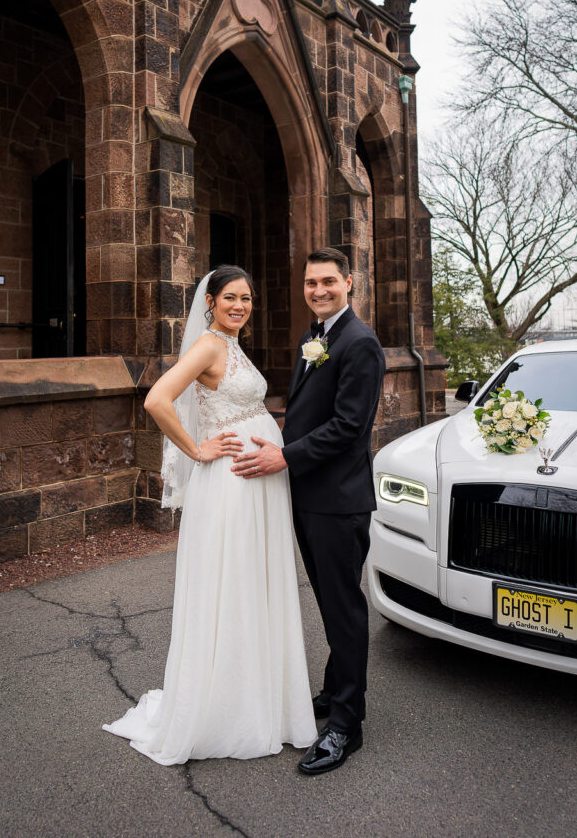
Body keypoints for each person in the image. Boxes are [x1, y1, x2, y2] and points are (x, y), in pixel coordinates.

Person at [103, 266, 317, 764]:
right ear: (211, 303)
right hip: (232, 485)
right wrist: (196, 450)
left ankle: (261, 699)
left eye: (247, 298)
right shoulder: (210, 346)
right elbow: (157, 399)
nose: (240, 306)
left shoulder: (232, 344)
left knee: (253, 583)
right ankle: (228, 709)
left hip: (257, 481)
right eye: (230, 298)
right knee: (233, 584)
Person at [233, 247, 386, 775]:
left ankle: (347, 724)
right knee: (329, 603)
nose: (318, 291)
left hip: (338, 501)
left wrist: (283, 455)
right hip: (308, 495)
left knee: (343, 608)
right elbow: (303, 411)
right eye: (311, 283)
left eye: (328, 282)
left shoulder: (360, 343)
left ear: (349, 282)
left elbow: (349, 428)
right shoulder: (314, 336)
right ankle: (334, 688)